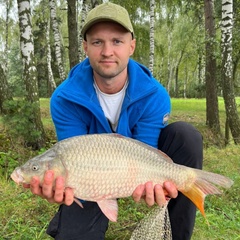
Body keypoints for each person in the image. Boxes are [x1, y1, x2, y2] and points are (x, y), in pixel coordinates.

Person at [24, 2, 203, 240]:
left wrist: (151, 184)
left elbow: (144, 151)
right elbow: (72, 154)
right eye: (98, 42)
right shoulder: (65, 98)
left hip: (137, 166)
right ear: (86, 47)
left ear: (132, 46)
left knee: (186, 136)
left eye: (117, 41)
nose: (107, 51)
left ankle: (178, 229)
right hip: (90, 177)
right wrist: (63, 186)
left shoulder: (154, 94)